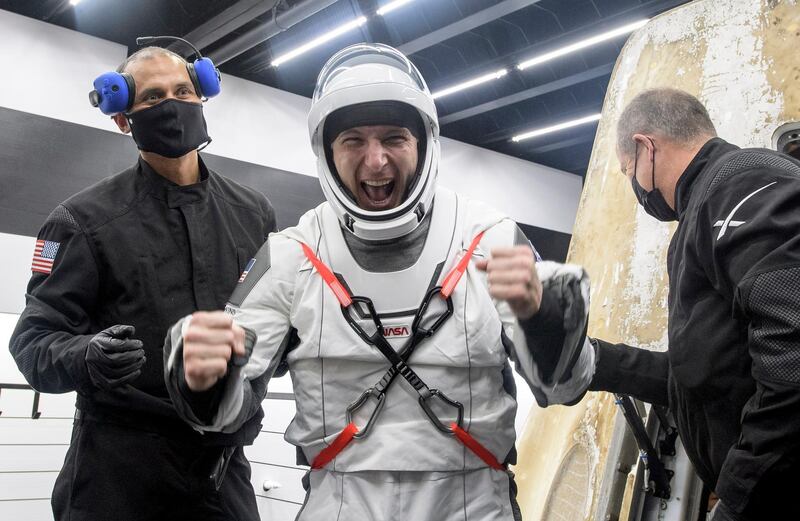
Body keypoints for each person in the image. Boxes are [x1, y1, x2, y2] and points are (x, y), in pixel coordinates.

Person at [162, 43, 593, 520]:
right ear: (326, 152)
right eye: (353, 141)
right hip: (341, 501)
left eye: (394, 138)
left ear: (424, 143)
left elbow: (562, 389)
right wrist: (202, 378)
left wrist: (549, 319)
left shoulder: (490, 238)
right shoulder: (291, 255)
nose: (375, 161)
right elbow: (222, 416)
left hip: (472, 503)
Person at [9, 44, 276, 521]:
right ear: (121, 117)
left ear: (203, 97)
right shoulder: (81, 221)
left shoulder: (253, 214)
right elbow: (32, 342)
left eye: (182, 91)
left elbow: (276, 324)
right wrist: (86, 356)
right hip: (117, 478)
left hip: (221, 475)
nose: (172, 105)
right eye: (153, 98)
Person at [536, 88, 800, 520]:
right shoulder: (705, 211)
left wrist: (738, 498)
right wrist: (592, 361)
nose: (636, 190)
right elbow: (707, 369)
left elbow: (793, 361)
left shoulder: (740, 186)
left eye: (627, 171)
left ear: (645, 149)